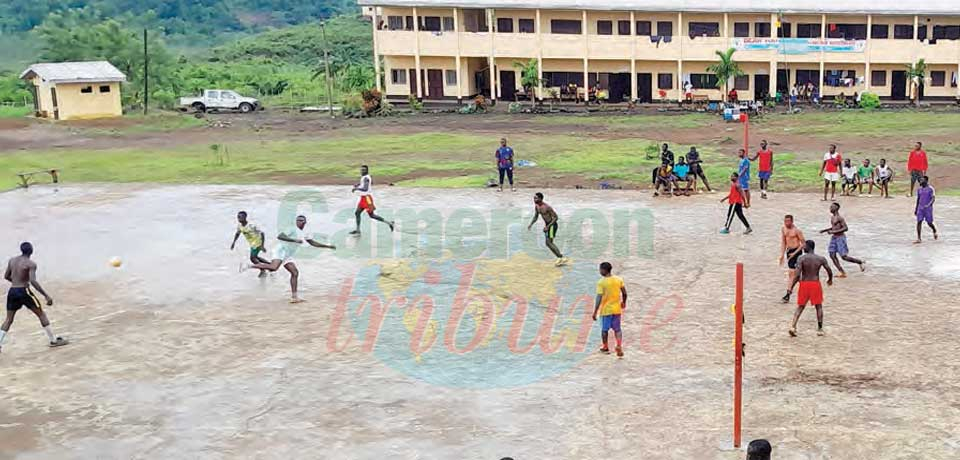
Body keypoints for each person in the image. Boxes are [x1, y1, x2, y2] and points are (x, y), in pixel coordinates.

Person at [244, 215, 335, 303]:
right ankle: (248, 266)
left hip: (288, 254)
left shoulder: (305, 232)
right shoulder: (292, 229)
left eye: (301, 220)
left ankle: (294, 297)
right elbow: (280, 236)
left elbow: (312, 243)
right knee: (274, 267)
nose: (299, 222)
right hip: (280, 250)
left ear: (305, 222)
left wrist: (327, 246)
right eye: (297, 220)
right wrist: (294, 240)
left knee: (295, 273)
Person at [1, 242, 68, 354]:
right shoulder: (31, 264)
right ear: (31, 250)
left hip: (12, 291)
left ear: (21, 250)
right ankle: (53, 340)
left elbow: (6, 276)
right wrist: (46, 295)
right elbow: (32, 281)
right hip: (24, 291)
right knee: (41, 314)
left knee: (8, 319)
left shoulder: (12, 260)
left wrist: (16, 283)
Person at [788, 240, 833, 337]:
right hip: (815, 284)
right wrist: (830, 279)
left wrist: (791, 287)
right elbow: (829, 270)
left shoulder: (801, 258)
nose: (803, 248)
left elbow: (797, 275)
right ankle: (820, 329)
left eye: (804, 246)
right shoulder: (821, 259)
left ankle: (793, 327)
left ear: (809, 247)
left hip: (804, 284)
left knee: (800, 306)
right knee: (818, 306)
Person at [819, 202, 865, 278]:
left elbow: (845, 228)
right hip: (834, 238)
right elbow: (834, 227)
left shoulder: (840, 218)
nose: (830, 209)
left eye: (832, 207)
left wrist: (833, 232)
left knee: (844, 257)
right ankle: (842, 272)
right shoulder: (832, 217)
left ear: (836, 208)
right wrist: (825, 230)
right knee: (832, 255)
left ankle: (860, 262)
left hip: (840, 238)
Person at [592, 262, 627, 357]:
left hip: (606, 311)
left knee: (604, 330)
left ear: (604, 270)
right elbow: (624, 293)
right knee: (618, 329)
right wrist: (624, 302)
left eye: (600, 269)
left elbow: (599, 297)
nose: (599, 271)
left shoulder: (601, 283)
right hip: (617, 310)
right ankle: (619, 345)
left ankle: (605, 347)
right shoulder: (618, 279)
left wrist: (595, 311)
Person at [351, 165, 395, 235]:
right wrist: (358, 184)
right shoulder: (365, 177)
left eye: (363, 170)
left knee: (372, 215)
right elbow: (367, 184)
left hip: (367, 199)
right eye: (361, 170)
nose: (362, 171)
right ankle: (358, 230)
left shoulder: (366, 178)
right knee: (357, 213)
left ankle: (389, 223)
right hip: (363, 198)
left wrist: (356, 188)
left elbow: (365, 188)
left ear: (367, 171)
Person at [528, 192, 568, 266]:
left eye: (536, 198)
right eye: (534, 198)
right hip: (547, 225)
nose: (534, 199)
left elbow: (556, 217)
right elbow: (536, 216)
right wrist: (531, 224)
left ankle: (560, 257)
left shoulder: (547, 207)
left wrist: (548, 226)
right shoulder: (537, 206)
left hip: (552, 225)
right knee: (549, 243)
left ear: (540, 198)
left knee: (548, 243)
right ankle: (561, 257)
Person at [230, 211, 269, 278]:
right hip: (252, 243)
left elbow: (262, 233)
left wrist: (262, 245)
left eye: (240, 217)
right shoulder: (240, 226)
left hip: (257, 242)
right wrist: (233, 242)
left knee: (252, 258)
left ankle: (263, 270)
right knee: (256, 257)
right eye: (238, 217)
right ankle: (269, 265)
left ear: (245, 217)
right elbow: (237, 233)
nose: (239, 219)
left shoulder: (251, 225)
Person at [779, 215, 806, 304]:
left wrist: (794, 254)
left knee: (792, 274)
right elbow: (783, 242)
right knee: (795, 275)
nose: (786, 223)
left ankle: (788, 293)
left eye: (788, 221)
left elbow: (803, 244)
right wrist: (782, 254)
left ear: (792, 221)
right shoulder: (783, 229)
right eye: (785, 221)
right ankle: (805, 288)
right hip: (789, 252)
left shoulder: (797, 231)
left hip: (796, 252)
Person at [914, 176, 939, 244]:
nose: (920, 182)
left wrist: (929, 205)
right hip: (920, 208)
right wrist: (916, 209)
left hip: (928, 209)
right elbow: (918, 199)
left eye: (922, 180)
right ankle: (919, 238)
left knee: (929, 223)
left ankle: (934, 230)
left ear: (926, 181)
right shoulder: (919, 189)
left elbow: (933, 198)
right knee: (919, 221)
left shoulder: (931, 189)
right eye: (920, 180)